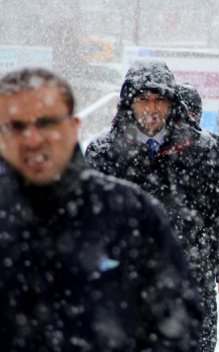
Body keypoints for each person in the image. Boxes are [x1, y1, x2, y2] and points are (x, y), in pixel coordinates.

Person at [0, 68, 202, 350]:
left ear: (72, 127)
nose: (33, 139)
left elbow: (176, 322)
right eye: (16, 126)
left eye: (47, 123)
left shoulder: (131, 213)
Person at [85, 60, 219, 352]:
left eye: (159, 100)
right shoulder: (102, 153)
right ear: (129, 103)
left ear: (173, 102)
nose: (152, 108)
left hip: (189, 276)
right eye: (143, 100)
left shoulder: (205, 150)